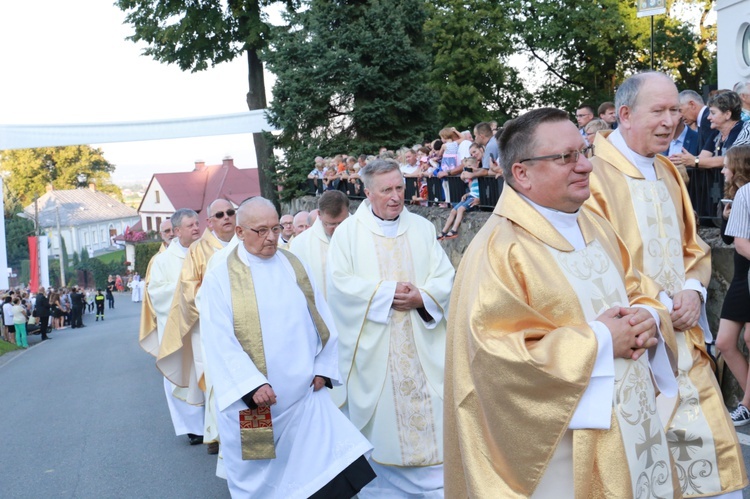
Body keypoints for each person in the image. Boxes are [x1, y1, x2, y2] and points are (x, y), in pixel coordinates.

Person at [445, 107, 677, 498]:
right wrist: (602, 339)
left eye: (584, 151)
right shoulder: (499, 250)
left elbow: (637, 287)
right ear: (522, 173)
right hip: (562, 455)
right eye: (566, 157)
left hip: (633, 431)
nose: (585, 166)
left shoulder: (593, 224)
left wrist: (649, 318)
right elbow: (494, 358)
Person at [587, 71, 747, 497]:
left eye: (674, 110)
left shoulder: (668, 170)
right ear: (624, 115)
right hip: (638, 339)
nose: (669, 121)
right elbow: (597, 260)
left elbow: (692, 244)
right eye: (657, 111)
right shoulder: (594, 177)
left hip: (684, 334)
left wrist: (694, 292)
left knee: (714, 463)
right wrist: (660, 304)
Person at [199, 197, 375, 498]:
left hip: (305, 396)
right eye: (261, 230)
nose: (271, 237)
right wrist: (252, 385)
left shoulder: (294, 264)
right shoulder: (220, 278)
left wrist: (322, 369)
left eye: (276, 228)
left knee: (331, 470)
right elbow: (218, 340)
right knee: (262, 481)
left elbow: (322, 317)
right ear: (240, 232)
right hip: (256, 404)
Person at [327, 159, 455, 497]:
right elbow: (339, 287)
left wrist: (422, 297)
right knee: (383, 439)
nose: (396, 196)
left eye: (400, 187)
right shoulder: (348, 235)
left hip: (424, 349)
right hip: (378, 352)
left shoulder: (423, 228)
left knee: (436, 433)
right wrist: (385, 293)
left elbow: (446, 277)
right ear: (368, 192)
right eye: (387, 190)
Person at [157, 199, 236, 456]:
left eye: (230, 213)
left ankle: (244, 429)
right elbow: (181, 292)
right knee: (212, 376)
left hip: (243, 320)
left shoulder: (245, 242)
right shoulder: (193, 252)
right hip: (205, 325)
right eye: (219, 214)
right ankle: (213, 431)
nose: (227, 218)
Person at [145, 208, 204, 445]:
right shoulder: (162, 261)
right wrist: (188, 290)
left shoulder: (208, 253)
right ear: (177, 231)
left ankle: (213, 423)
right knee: (182, 373)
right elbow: (155, 294)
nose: (196, 228)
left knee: (207, 371)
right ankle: (194, 428)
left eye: (197, 223)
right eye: (191, 225)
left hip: (205, 325)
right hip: (179, 329)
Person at [716, 145, 750, 425]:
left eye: (727, 166)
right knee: (725, 342)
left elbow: (740, 243)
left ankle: (746, 404)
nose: (723, 170)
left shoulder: (746, 194)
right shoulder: (737, 195)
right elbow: (730, 241)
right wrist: (727, 218)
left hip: (747, 273)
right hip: (742, 275)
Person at [290, 190, 349, 297]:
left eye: (341, 223)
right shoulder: (300, 243)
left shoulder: (362, 234)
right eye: (331, 224)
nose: (337, 229)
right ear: (319, 215)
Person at [671, 91, 750, 169]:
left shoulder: (743, 130)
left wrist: (695, 160)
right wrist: (682, 159)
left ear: (727, 114)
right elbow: (703, 157)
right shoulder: (716, 133)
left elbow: (730, 159)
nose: (708, 117)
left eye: (713, 113)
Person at [437, 156, 480, 240]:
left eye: (470, 165)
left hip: (475, 198)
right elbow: (472, 188)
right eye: (467, 166)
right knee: (453, 211)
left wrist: (473, 170)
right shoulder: (472, 178)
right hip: (471, 195)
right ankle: (444, 231)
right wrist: (467, 194)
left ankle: (454, 229)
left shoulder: (479, 173)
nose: (469, 168)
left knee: (460, 209)